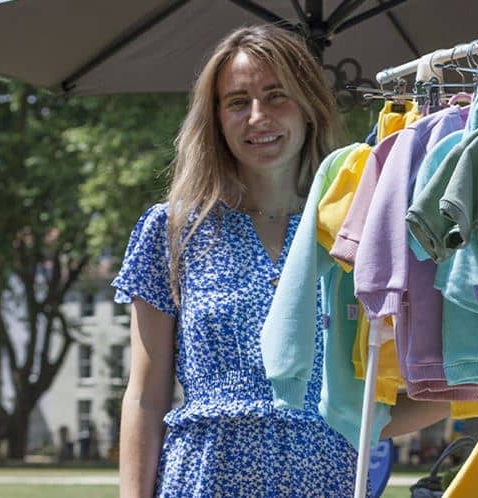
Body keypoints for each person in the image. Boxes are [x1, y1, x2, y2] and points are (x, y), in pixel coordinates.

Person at [113, 25, 449, 498]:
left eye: (276, 96)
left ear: (309, 106)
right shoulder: (171, 231)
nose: (257, 116)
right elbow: (145, 398)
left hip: (326, 478)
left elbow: (435, 386)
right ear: (215, 118)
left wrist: (348, 423)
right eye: (237, 101)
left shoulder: (360, 225)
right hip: (204, 478)